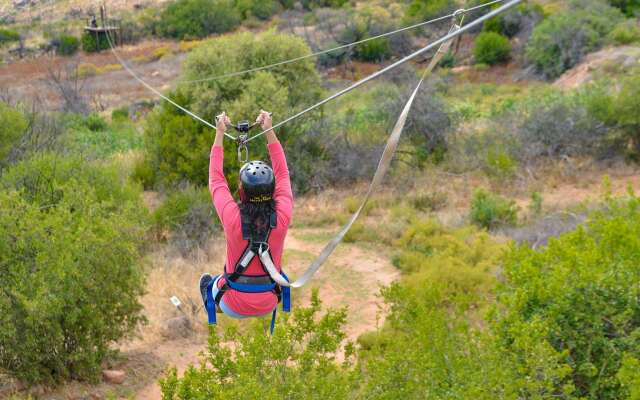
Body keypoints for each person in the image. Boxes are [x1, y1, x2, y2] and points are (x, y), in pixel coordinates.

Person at [199, 110, 293, 321]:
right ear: (272, 189)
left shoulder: (233, 217)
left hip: (232, 303)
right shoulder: (283, 213)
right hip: (269, 300)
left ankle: (211, 299)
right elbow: (283, 173)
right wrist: (269, 130)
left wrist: (219, 133)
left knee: (209, 283)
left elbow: (216, 179)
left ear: (242, 192)